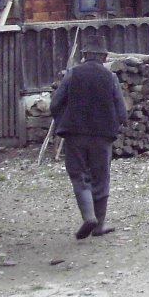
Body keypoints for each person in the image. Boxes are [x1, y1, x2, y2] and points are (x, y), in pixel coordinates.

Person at [50, 34, 127, 239]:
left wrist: (61, 124)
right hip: (103, 136)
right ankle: (99, 225)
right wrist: (115, 126)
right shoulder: (110, 77)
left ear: (84, 55)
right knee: (101, 178)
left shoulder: (72, 74)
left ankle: (88, 216)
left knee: (79, 176)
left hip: (75, 135)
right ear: (103, 56)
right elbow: (122, 112)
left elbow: (54, 104)